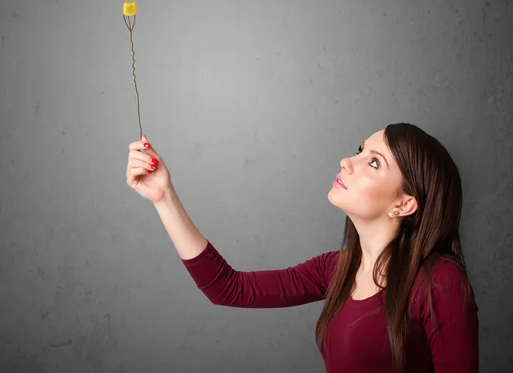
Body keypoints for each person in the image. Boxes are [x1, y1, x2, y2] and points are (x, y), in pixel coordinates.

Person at [126, 123, 479, 372]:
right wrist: (163, 196)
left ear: (404, 204)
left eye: (373, 162)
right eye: (360, 151)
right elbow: (227, 288)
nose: (347, 162)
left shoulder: (439, 283)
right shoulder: (336, 269)